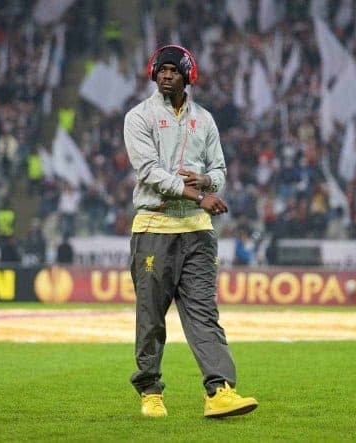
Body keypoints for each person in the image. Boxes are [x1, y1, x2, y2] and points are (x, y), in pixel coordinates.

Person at [123, 44, 258, 419]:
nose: (166, 75)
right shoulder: (139, 117)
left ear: (188, 76)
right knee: (151, 317)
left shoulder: (206, 120)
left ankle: (220, 391)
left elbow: (220, 171)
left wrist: (207, 180)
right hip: (154, 225)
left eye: (173, 70)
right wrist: (198, 195)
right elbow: (148, 171)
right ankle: (150, 391)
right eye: (160, 70)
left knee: (203, 313)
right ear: (153, 75)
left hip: (198, 230)